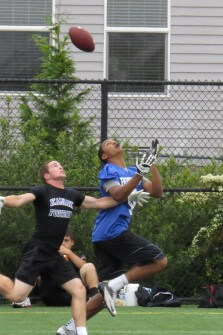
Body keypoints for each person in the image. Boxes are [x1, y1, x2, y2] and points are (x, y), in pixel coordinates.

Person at [56, 139, 167, 335]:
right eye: (107, 143)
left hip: (106, 236)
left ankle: (69, 328)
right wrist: (140, 173)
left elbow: (157, 192)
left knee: (105, 295)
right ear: (104, 156)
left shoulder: (133, 170)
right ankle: (113, 285)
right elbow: (117, 195)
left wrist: (152, 164)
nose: (113, 141)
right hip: (111, 232)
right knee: (159, 260)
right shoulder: (108, 170)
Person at [0, 160, 122, 335]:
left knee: (79, 290)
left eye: (60, 165)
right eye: (55, 165)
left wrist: (125, 198)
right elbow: (20, 199)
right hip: (38, 250)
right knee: (16, 296)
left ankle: (80, 332)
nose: (60, 166)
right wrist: (3, 200)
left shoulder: (71, 194)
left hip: (54, 253)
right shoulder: (42, 191)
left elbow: (98, 203)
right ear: (47, 175)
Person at [39, 230, 99, 306]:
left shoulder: (78, 256)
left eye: (66, 240)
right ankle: (25, 299)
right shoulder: (47, 256)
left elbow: (83, 265)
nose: (63, 243)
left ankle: (95, 298)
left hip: (76, 294)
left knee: (89, 266)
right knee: (35, 267)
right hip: (53, 296)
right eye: (60, 240)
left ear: (72, 242)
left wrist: (68, 253)